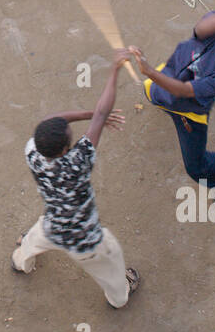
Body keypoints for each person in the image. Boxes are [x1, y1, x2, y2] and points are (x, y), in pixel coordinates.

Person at [10, 51, 140, 307]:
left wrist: (91, 116)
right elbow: (102, 114)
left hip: (53, 226)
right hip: (86, 241)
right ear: (64, 149)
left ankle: (20, 262)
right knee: (111, 264)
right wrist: (114, 70)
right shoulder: (77, 163)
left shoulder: (32, 151)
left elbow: (52, 121)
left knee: (34, 239)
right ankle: (119, 297)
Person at [129, 0, 215, 193]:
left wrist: (149, 71)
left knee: (195, 167)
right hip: (165, 78)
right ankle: (164, 102)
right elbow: (201, 29)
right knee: (152, 94)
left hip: (189, 112)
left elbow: (184, 91)